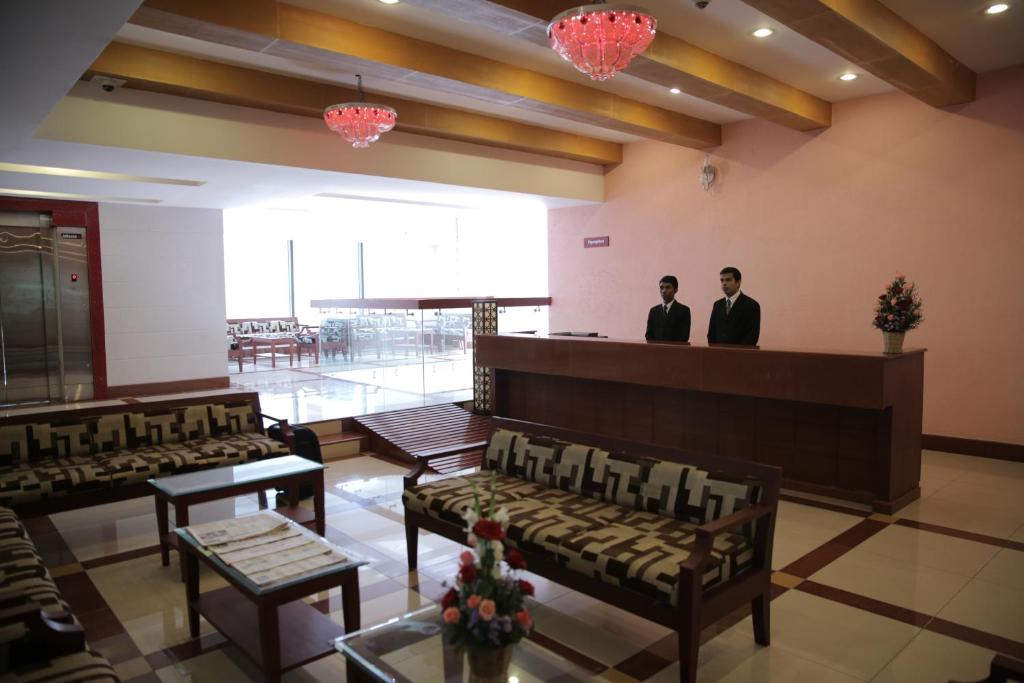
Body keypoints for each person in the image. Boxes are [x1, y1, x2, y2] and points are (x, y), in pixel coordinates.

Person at [707, 267, 760, 345]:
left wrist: (735, 351)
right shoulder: (717, 305)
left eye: (728, 280)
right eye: (722, 280)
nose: (724, 283)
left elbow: (752, 336)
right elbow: (711, 333)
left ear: (738, 282)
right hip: (718, 351)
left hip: (740, 351)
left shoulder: (751, 305)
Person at [645, 275, 691, 342]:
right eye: (661, 287)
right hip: (656, 348)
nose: (664, 291)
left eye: (668, 287)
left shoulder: (684, 311)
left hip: (675, 348)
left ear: (676, 290)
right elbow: (648, 335)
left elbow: (684, 337)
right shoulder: (653, 311)